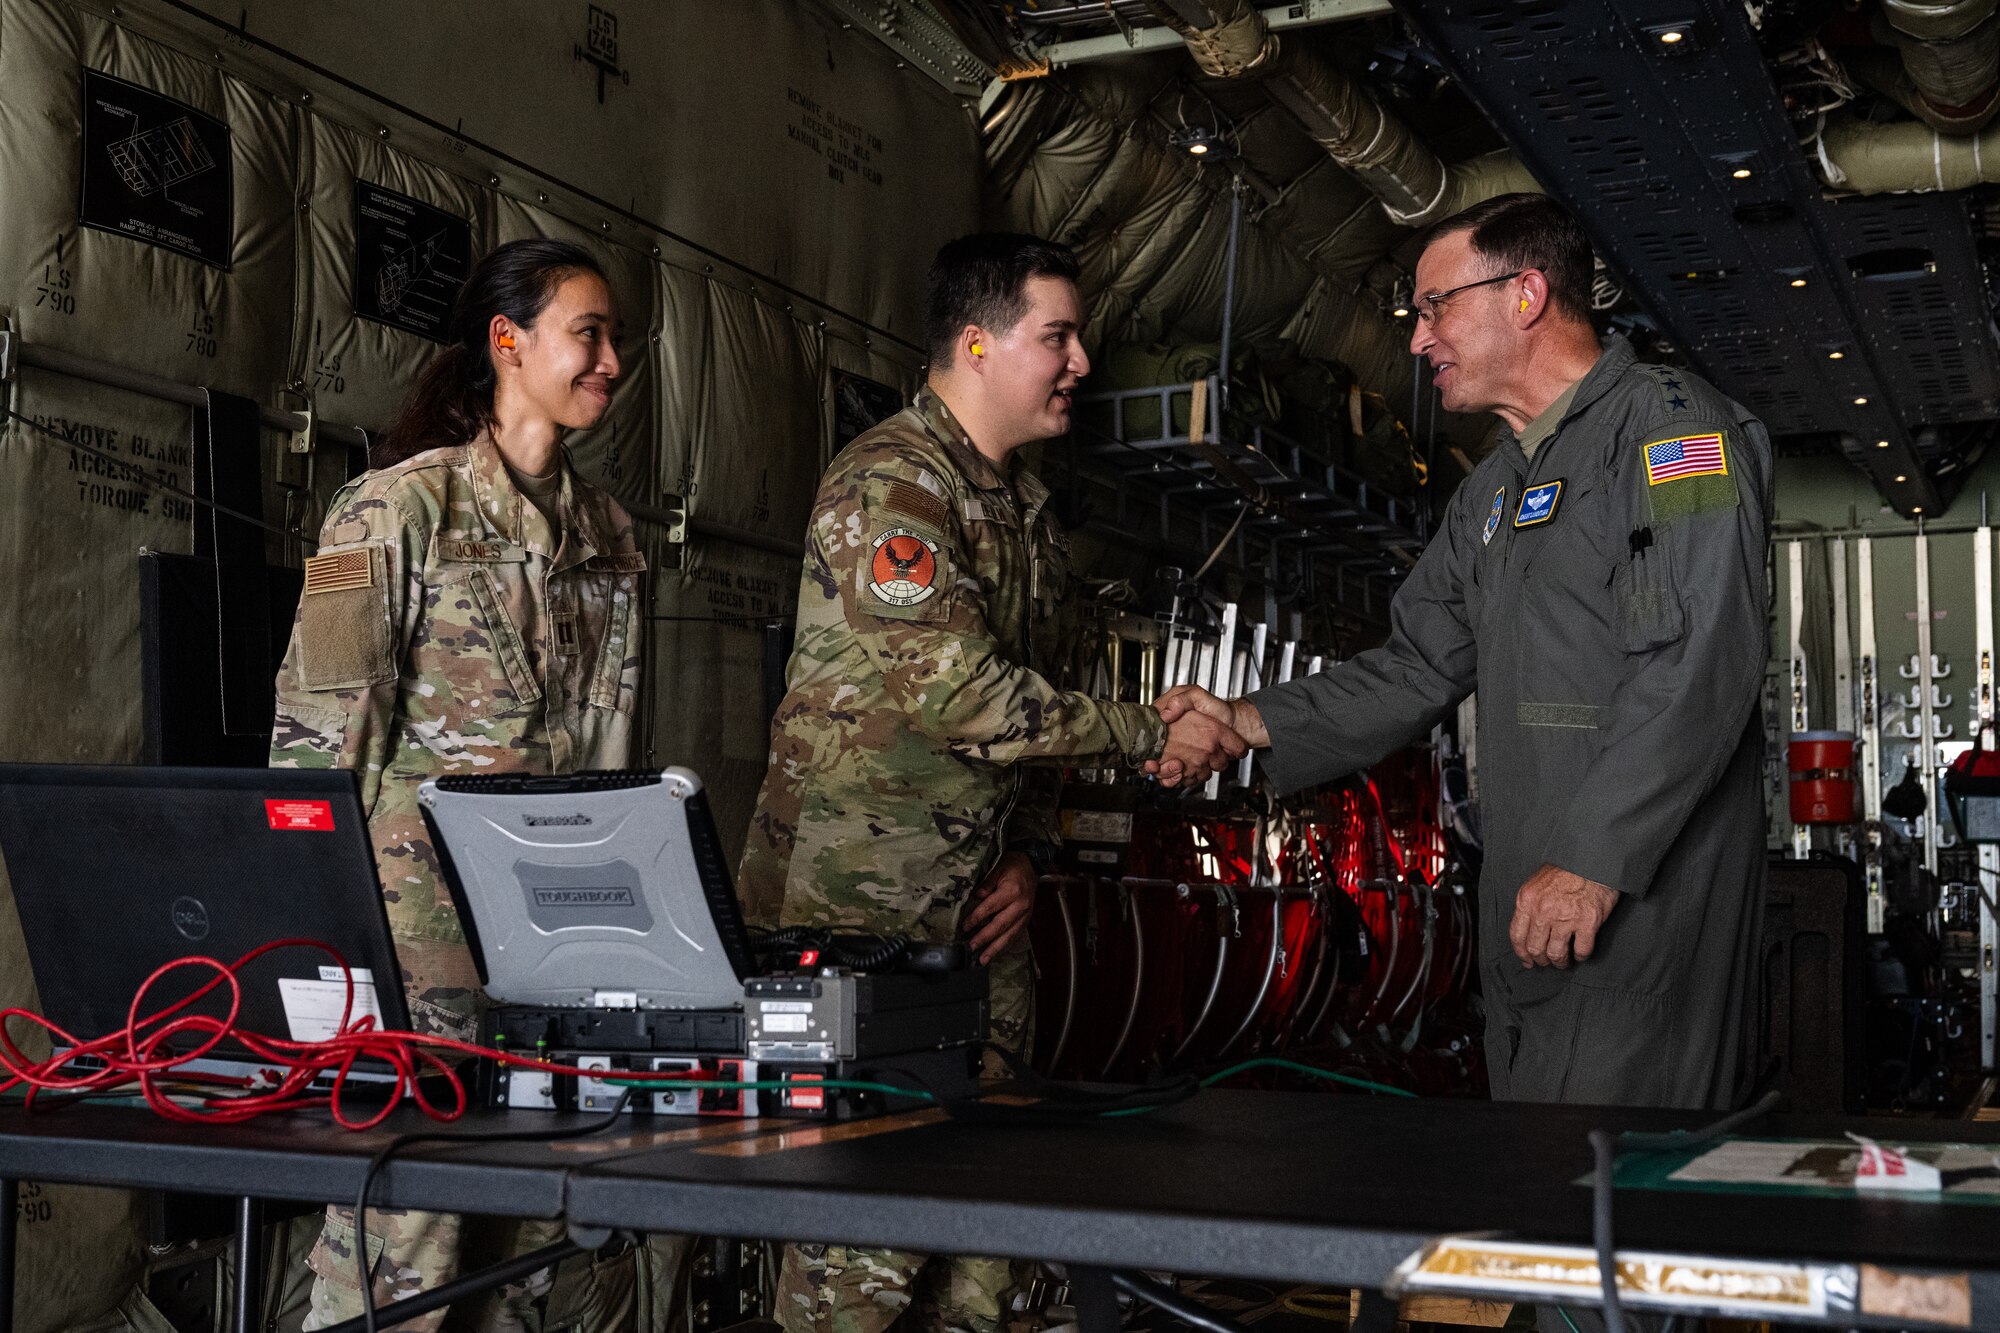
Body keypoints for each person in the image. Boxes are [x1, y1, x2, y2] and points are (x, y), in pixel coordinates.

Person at [1157, 193, 1772, 1113]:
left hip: (1636, 912)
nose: (1416, 338)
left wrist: (1594, 861)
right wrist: (1250, 721)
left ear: (1525, 294)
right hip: (1530, 912)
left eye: (1434, 306)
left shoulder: (1674, 433)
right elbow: (1416, 663)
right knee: (1535, 1200)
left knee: (1614, 1207)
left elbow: (1698, 665)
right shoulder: (1495, 486)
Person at [739, 232, 1244, 1333]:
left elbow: (1026, 736)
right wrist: (1141, 724)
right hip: (859, 916)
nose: (1079, 364)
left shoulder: (1026, 520)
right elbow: (960, 695)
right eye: (1056, 337)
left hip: (977, 919)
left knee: (982, 1234)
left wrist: (1033, 852)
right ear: (975, 344)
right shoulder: (892, 486)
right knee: (858, 1239)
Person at [270, 238, 672, 1333]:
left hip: (555, 948)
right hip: (413, 951)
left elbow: (619, 755)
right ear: (508, 343)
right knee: (404, 1240)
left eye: (615, 338)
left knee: (532, 1249)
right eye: (588, 334)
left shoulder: (611, 539)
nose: (611, 361)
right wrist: (321, 956)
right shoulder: (391, 510)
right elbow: (314, 745)